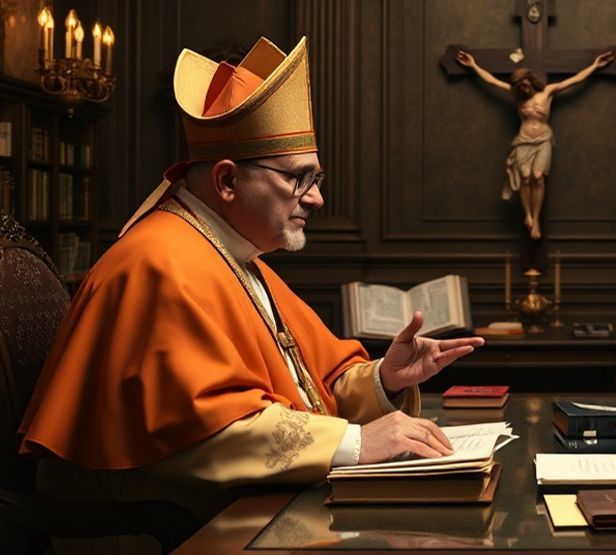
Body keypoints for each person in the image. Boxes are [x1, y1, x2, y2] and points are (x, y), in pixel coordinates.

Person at [18, 36, 484, 553]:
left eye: (317, 176)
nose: (318, 197)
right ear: (226, 181)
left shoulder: (232, 254)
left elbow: (307, 385)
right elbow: (201, 433)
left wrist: (384, 379)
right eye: (299, 178)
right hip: (153, 519)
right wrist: (357, 441)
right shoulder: (158, 263)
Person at [456, 50, 614, 239]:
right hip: (523, 140)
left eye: (525, 85)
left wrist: (595, 66)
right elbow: (492, 81)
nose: (524, 89)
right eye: (520, 87)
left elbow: (574, 80)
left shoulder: (547, 92)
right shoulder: (516, 96)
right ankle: (528, 215)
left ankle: (536, 219)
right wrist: (473, 65)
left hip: (543, 139)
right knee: (524, 177)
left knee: (538, 176)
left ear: (531, 81)